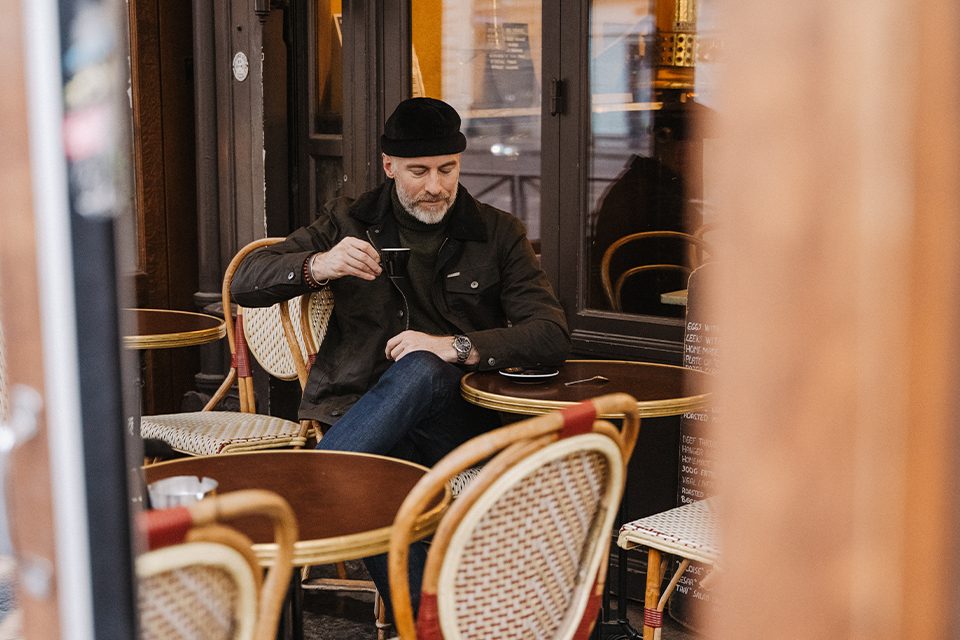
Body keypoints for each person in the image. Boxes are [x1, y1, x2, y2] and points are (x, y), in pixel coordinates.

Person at [230, 96, 570, 621]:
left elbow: (549, 332)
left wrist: (454, 347)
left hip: (457, 421)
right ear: (389, 166)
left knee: (423, 367)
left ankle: (305, 494)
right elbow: (248, 282)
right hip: (359, 414)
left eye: (447, 169)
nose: (435, 186)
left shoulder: (498, 232)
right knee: (366, 491)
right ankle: (431, 627)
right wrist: (319, 264)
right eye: (418, 171)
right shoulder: (348, 220)